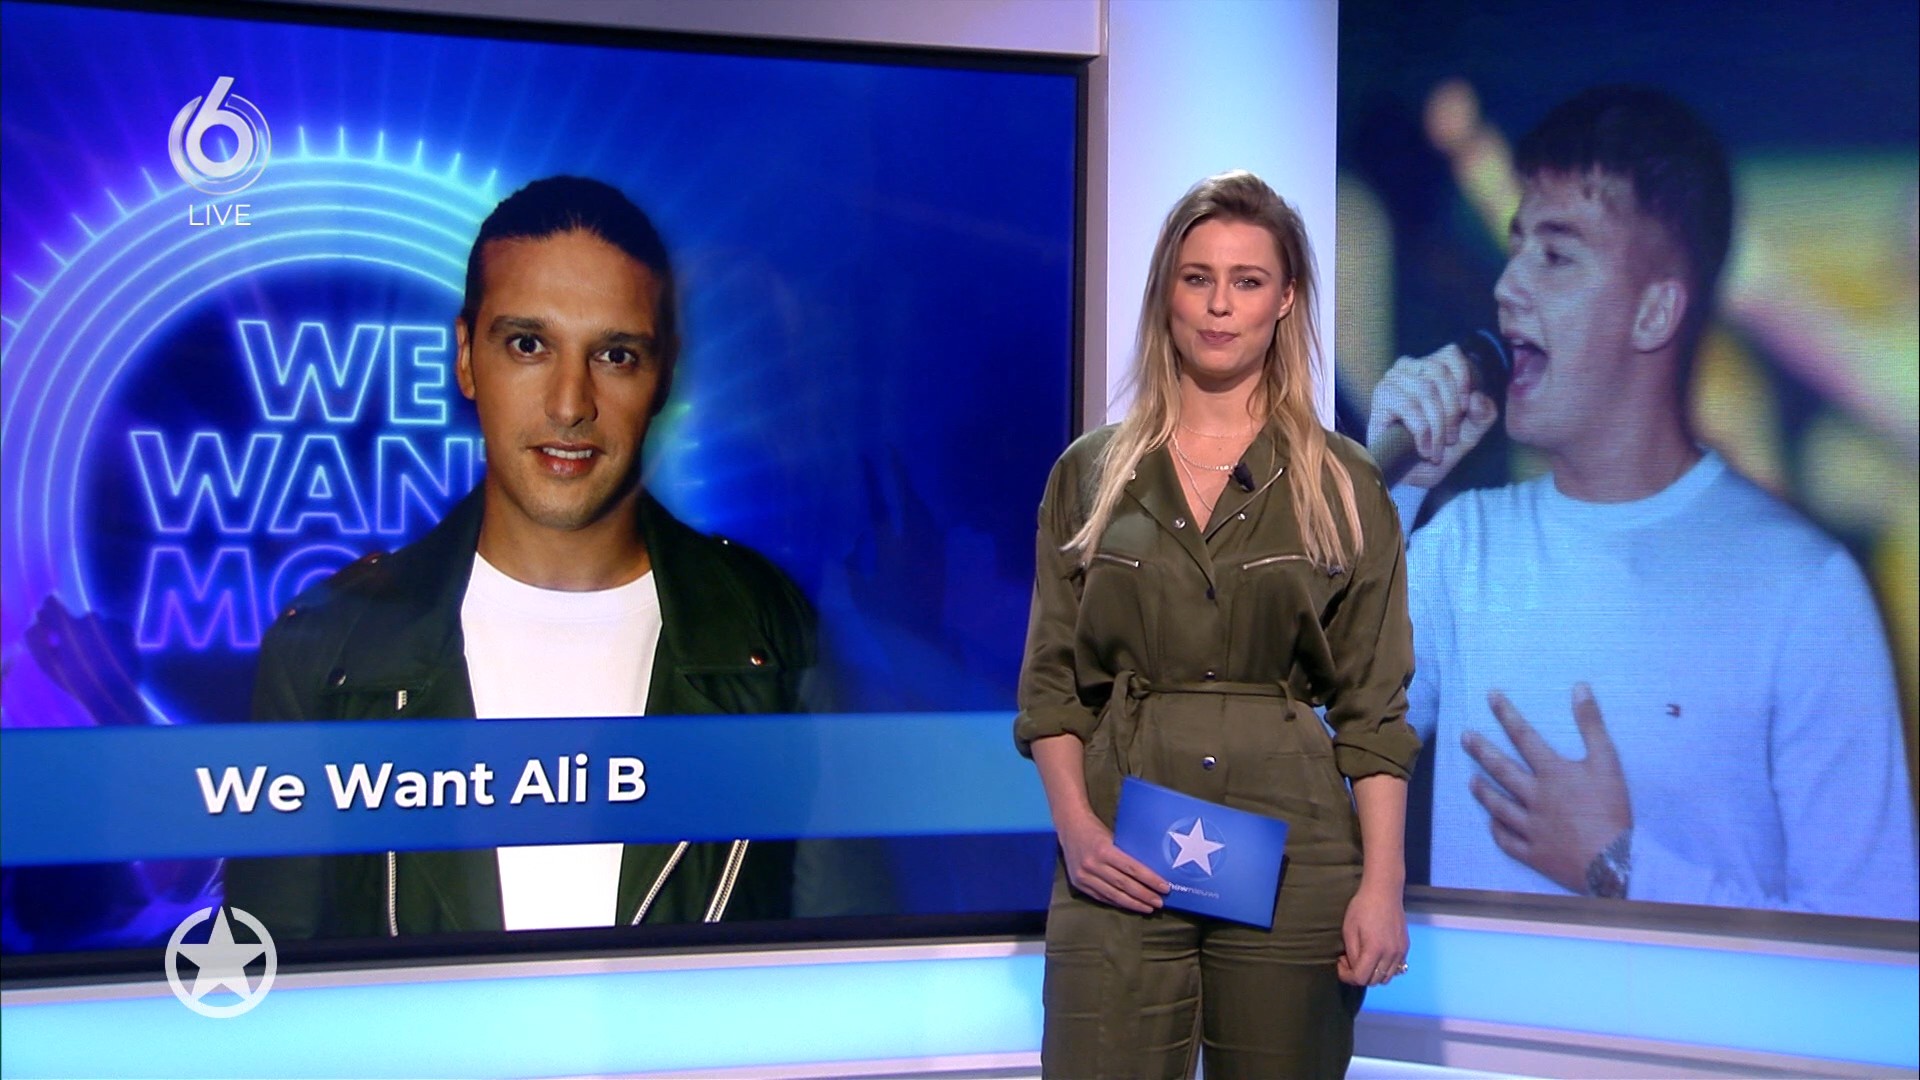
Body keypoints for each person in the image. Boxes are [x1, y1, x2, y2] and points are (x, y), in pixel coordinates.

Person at [1367, 86, 1918, 916]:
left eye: (1555, 257)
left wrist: (1618, 867)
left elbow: (1866, 939)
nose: (1509, 287)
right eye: (1515, 251)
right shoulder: (1462, 551)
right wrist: (1388, 499)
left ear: (1657, 310)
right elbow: (1289, 765)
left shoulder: (1807, 592)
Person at [226, 176, 817, 939]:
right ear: (466, 357)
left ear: (663, 373)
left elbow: (849, 968)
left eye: (615, 354)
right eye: (529, 345)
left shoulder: (774, 635)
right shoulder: (326, 649)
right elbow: (270, 985)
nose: (570, 403)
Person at [1016, 171, 1420, 1079]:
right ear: (1167, 291)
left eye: (1247, 280)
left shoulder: (1344, 483)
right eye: (1197, 278)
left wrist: (1383, 884)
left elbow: (1374, 710)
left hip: (1296, 859)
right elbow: (1051, 685)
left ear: (1286, 299)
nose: (1220, 305)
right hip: (1118, 854)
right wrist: (1077, 830)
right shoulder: (1090, 476)